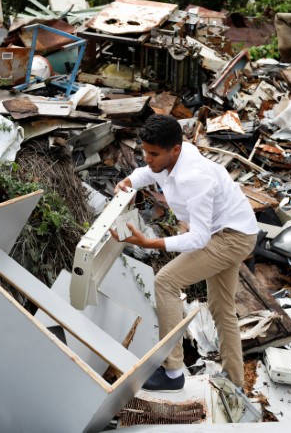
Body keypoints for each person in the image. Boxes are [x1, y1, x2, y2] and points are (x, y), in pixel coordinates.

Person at [112, 114, 258, 392]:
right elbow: (149, 172)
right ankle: (235, 381)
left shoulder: (195, 179)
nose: (147, 158)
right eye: (144, 151)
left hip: (231, 237)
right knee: (221, 307)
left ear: (175, 150)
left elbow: (200, 238)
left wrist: (149, 243)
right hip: (230, 229)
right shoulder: (173, 155)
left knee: (165, 282)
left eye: (153, 153)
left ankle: (172, 372)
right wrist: (130, 181)